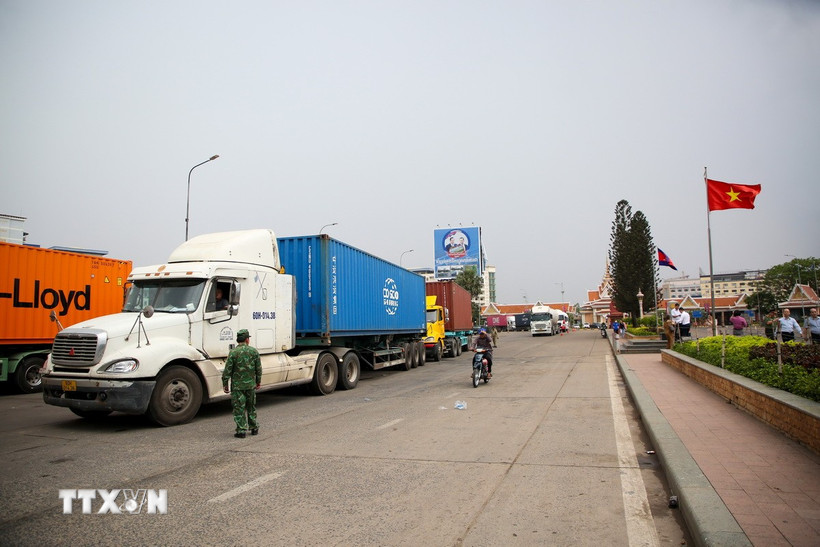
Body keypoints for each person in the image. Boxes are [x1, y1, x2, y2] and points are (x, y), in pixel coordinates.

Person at [222, 329, 262, 438]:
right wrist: (258, 382)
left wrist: (225, 383)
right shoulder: (253, 351)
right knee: (251, 407)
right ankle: (254, 428)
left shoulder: (233, 352)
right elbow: (258, 369)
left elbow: (228, 370)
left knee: (239, 408)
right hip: (250, 385)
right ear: (247, 339)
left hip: (237, 386)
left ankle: (241, 431)